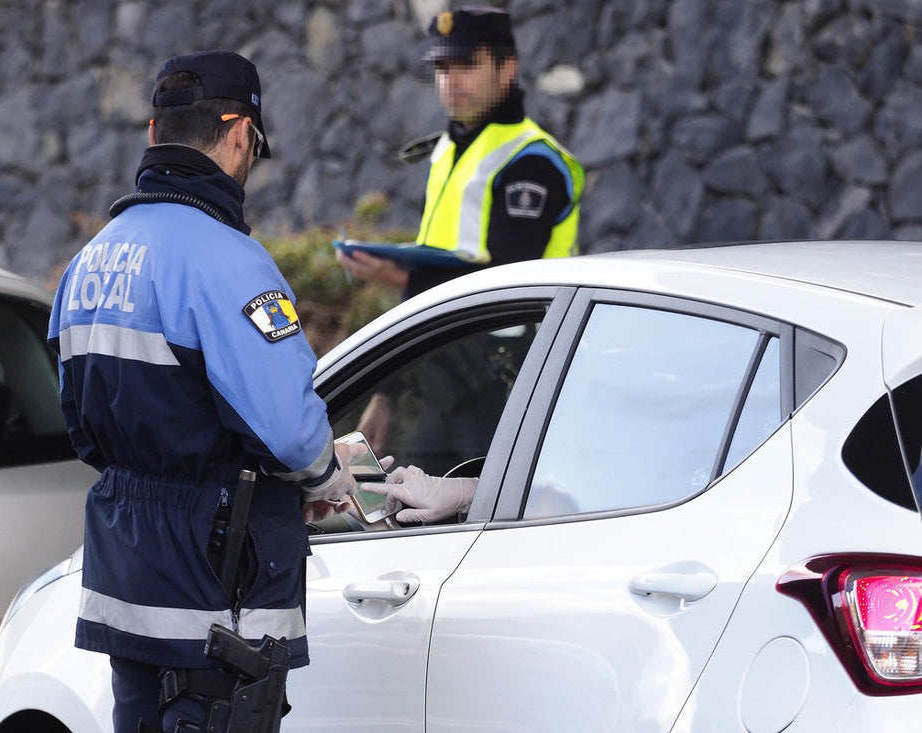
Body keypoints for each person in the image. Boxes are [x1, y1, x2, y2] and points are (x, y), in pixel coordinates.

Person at [48, 51, 361, 733]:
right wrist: (323, 474)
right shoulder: (229, 262)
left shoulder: (90, 261)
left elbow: (79, 422)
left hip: (128, 579)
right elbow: (290, 433)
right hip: (217, 594)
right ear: (241, 133)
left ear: (155, 134)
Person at [336, 5, 585, 301]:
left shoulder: (532, 162)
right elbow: (449, 248)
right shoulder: (449, 147)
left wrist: (398, 276)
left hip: (513, 341)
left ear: (507, 69)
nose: (450, 81)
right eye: (442, 68)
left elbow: (509, 281)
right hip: (452, 332)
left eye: (467, 65)